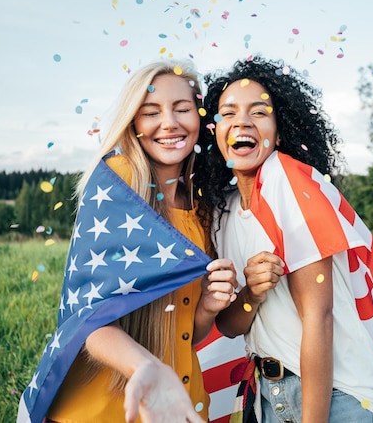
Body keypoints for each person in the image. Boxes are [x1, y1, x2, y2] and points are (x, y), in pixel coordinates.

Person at [194, 56, 373, 423]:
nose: (241, 121)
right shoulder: (223, 213)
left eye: (259, 112)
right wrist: (253, 294)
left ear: (278, 132)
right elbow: (231, 326)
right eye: (227, 113)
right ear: (213, 131)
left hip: (337, 398)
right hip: (269, 396)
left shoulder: (292, 185)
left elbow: (319, 317)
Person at [18, 60, 238, 423]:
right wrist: (148, 369)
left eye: (182, 109)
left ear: (200, 117)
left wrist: (208, 308)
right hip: (106, 407)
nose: (169, 122)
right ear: (133, 123)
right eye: (151, 112)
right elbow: (89, 318)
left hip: (179, 404)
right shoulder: (117, 183)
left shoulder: (201, 205)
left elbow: (188, 334)